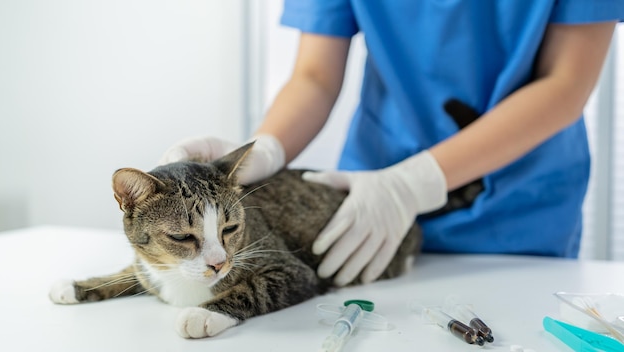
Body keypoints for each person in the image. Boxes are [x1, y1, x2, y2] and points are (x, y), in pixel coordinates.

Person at [160, 1, 624, 287]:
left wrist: (414, 183)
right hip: (368, 210)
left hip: (520, 214)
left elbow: (565, 85)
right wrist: (266, 150)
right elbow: (314, 77)